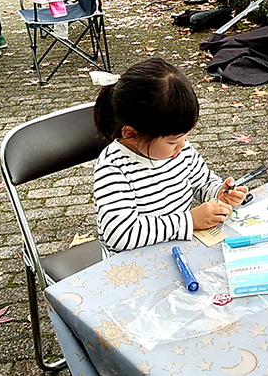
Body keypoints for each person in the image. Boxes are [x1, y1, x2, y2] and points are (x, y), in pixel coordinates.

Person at [93, 57, 248, 256]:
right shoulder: (114, 167)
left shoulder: (180, 150)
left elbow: (202, 182)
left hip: (176, 250)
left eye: (185, 137)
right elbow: (120, 234)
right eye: (173, 141)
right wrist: (189, 221)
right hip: (135, 266)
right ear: (131, 134)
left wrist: (219, 193)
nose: (182, 146)